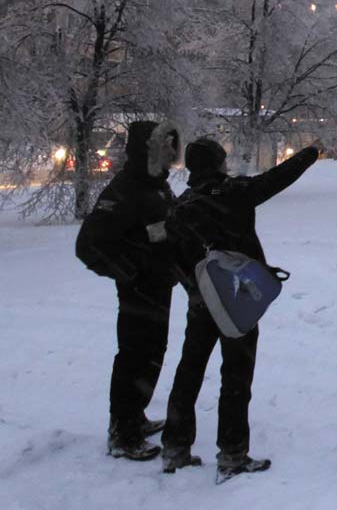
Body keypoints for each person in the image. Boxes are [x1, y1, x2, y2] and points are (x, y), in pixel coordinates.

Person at [162, 139, 319, 481]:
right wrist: (309, 154)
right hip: (238, 300)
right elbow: (276, 178)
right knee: (235, 375)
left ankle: (175, 447)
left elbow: (171, 258)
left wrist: (195, 288)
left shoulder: (181, 206)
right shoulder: (233, 192)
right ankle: (232, 454)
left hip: (200, 304)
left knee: (189, 370)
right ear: (217, 163)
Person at [75, 120, 180, 461]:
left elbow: (168, 229)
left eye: (171, 146)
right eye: (163, 146)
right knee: (133, 358)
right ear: (147, 150)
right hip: (138, 293)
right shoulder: (124, 190)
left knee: (153, 355)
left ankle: (136, 415)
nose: (170, 153)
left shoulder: (159, 187)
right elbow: (89, 245)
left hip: (160, 287)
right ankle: (122, 432)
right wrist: (131, 271)